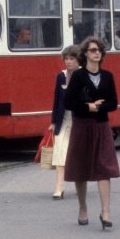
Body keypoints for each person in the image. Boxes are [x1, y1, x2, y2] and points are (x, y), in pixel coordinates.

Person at [64, 37, 119, 230]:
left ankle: (106, 212)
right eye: (93, 50)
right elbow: (68, 103)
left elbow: (114, 103)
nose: (97, 53)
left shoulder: (108, 76)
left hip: (101, 126)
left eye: (100, 51)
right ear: (85, 54)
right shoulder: (78, 77)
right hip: (82, 126)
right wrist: (89, 106)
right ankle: (83, 207)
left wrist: (100, 107)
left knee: (104, 168)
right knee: (81, 169)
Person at [49, 45, 81, 199]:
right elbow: (56, 100)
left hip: (79, 120)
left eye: (71, 59)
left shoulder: (83, 76)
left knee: (77, 153)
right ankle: (58, 188)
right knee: (60, 153)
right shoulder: (60, 76)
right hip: (63, 120)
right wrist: (53, 122)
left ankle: (80, 182)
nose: (68, 62)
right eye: (66, 59)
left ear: (78, 60)